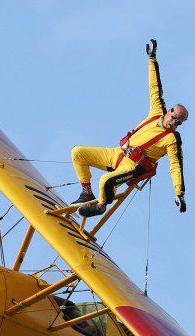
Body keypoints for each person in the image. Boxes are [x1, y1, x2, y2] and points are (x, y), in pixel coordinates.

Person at [69, 39, 187, 218]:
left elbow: (176, 166)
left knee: (105, 181)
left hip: (132, 166)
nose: (174, 123)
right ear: (169, 111)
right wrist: (152, 59)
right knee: (78, 153)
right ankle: (87, 193)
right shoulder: (157, 111)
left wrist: (179, 193)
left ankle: (100, 206)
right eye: (174, 118)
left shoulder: (171, 139)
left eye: (179, 123)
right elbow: (154, 87)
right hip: (117, 154)